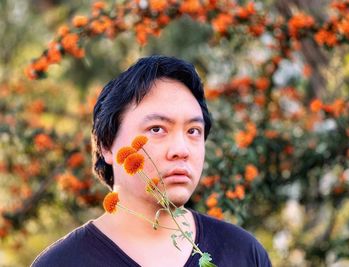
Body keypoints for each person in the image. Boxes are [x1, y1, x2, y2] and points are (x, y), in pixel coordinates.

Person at [31, 55, 272, 267]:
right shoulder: (63, 262)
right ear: (107, 145)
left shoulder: (243, 253)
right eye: (157, 129)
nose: (181, 149)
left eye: (193, 131)